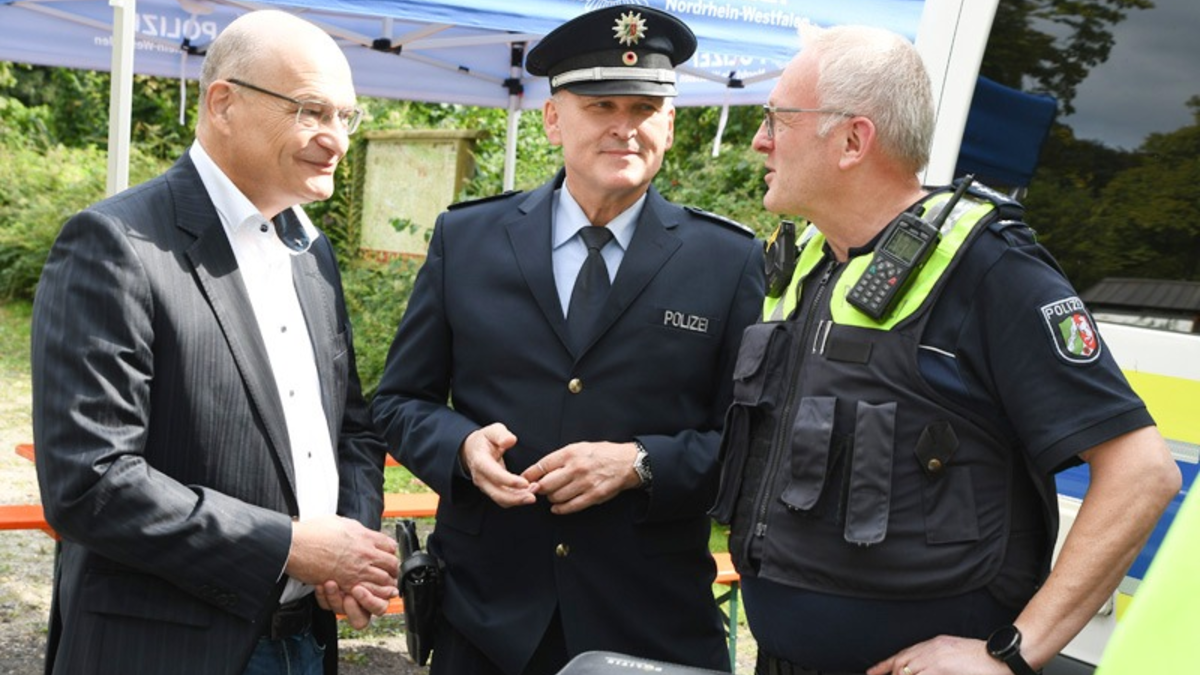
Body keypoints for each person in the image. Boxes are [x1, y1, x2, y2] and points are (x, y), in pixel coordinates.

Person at [709, 23, 1182, 675]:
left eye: (777, 119)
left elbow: (1144, 472)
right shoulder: (812, 263)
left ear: (852, 140)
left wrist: (1012, 652)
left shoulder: (992, 269)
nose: (759, 140)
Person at [370, 5, 765, 675]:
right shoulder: (468, 240)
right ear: (554, 119)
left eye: (644, 109)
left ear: (669, 124)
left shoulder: (726, 260)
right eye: (601, 105)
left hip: (648, 623)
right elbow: (398, 401)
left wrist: (640, 463)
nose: (624, 127)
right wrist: (462, 448)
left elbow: (750, 443)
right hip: (486, 623)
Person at [31, 10, 398, 675]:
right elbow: (90, 481)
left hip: (306, 638)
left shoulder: (311, 252)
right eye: (312, 111)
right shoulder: (118, 245)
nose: (336, 139)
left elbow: (351, 429)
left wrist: (351, 545)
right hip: (167, 647)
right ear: (223, 103)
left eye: (347, 116)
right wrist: (288, 546)